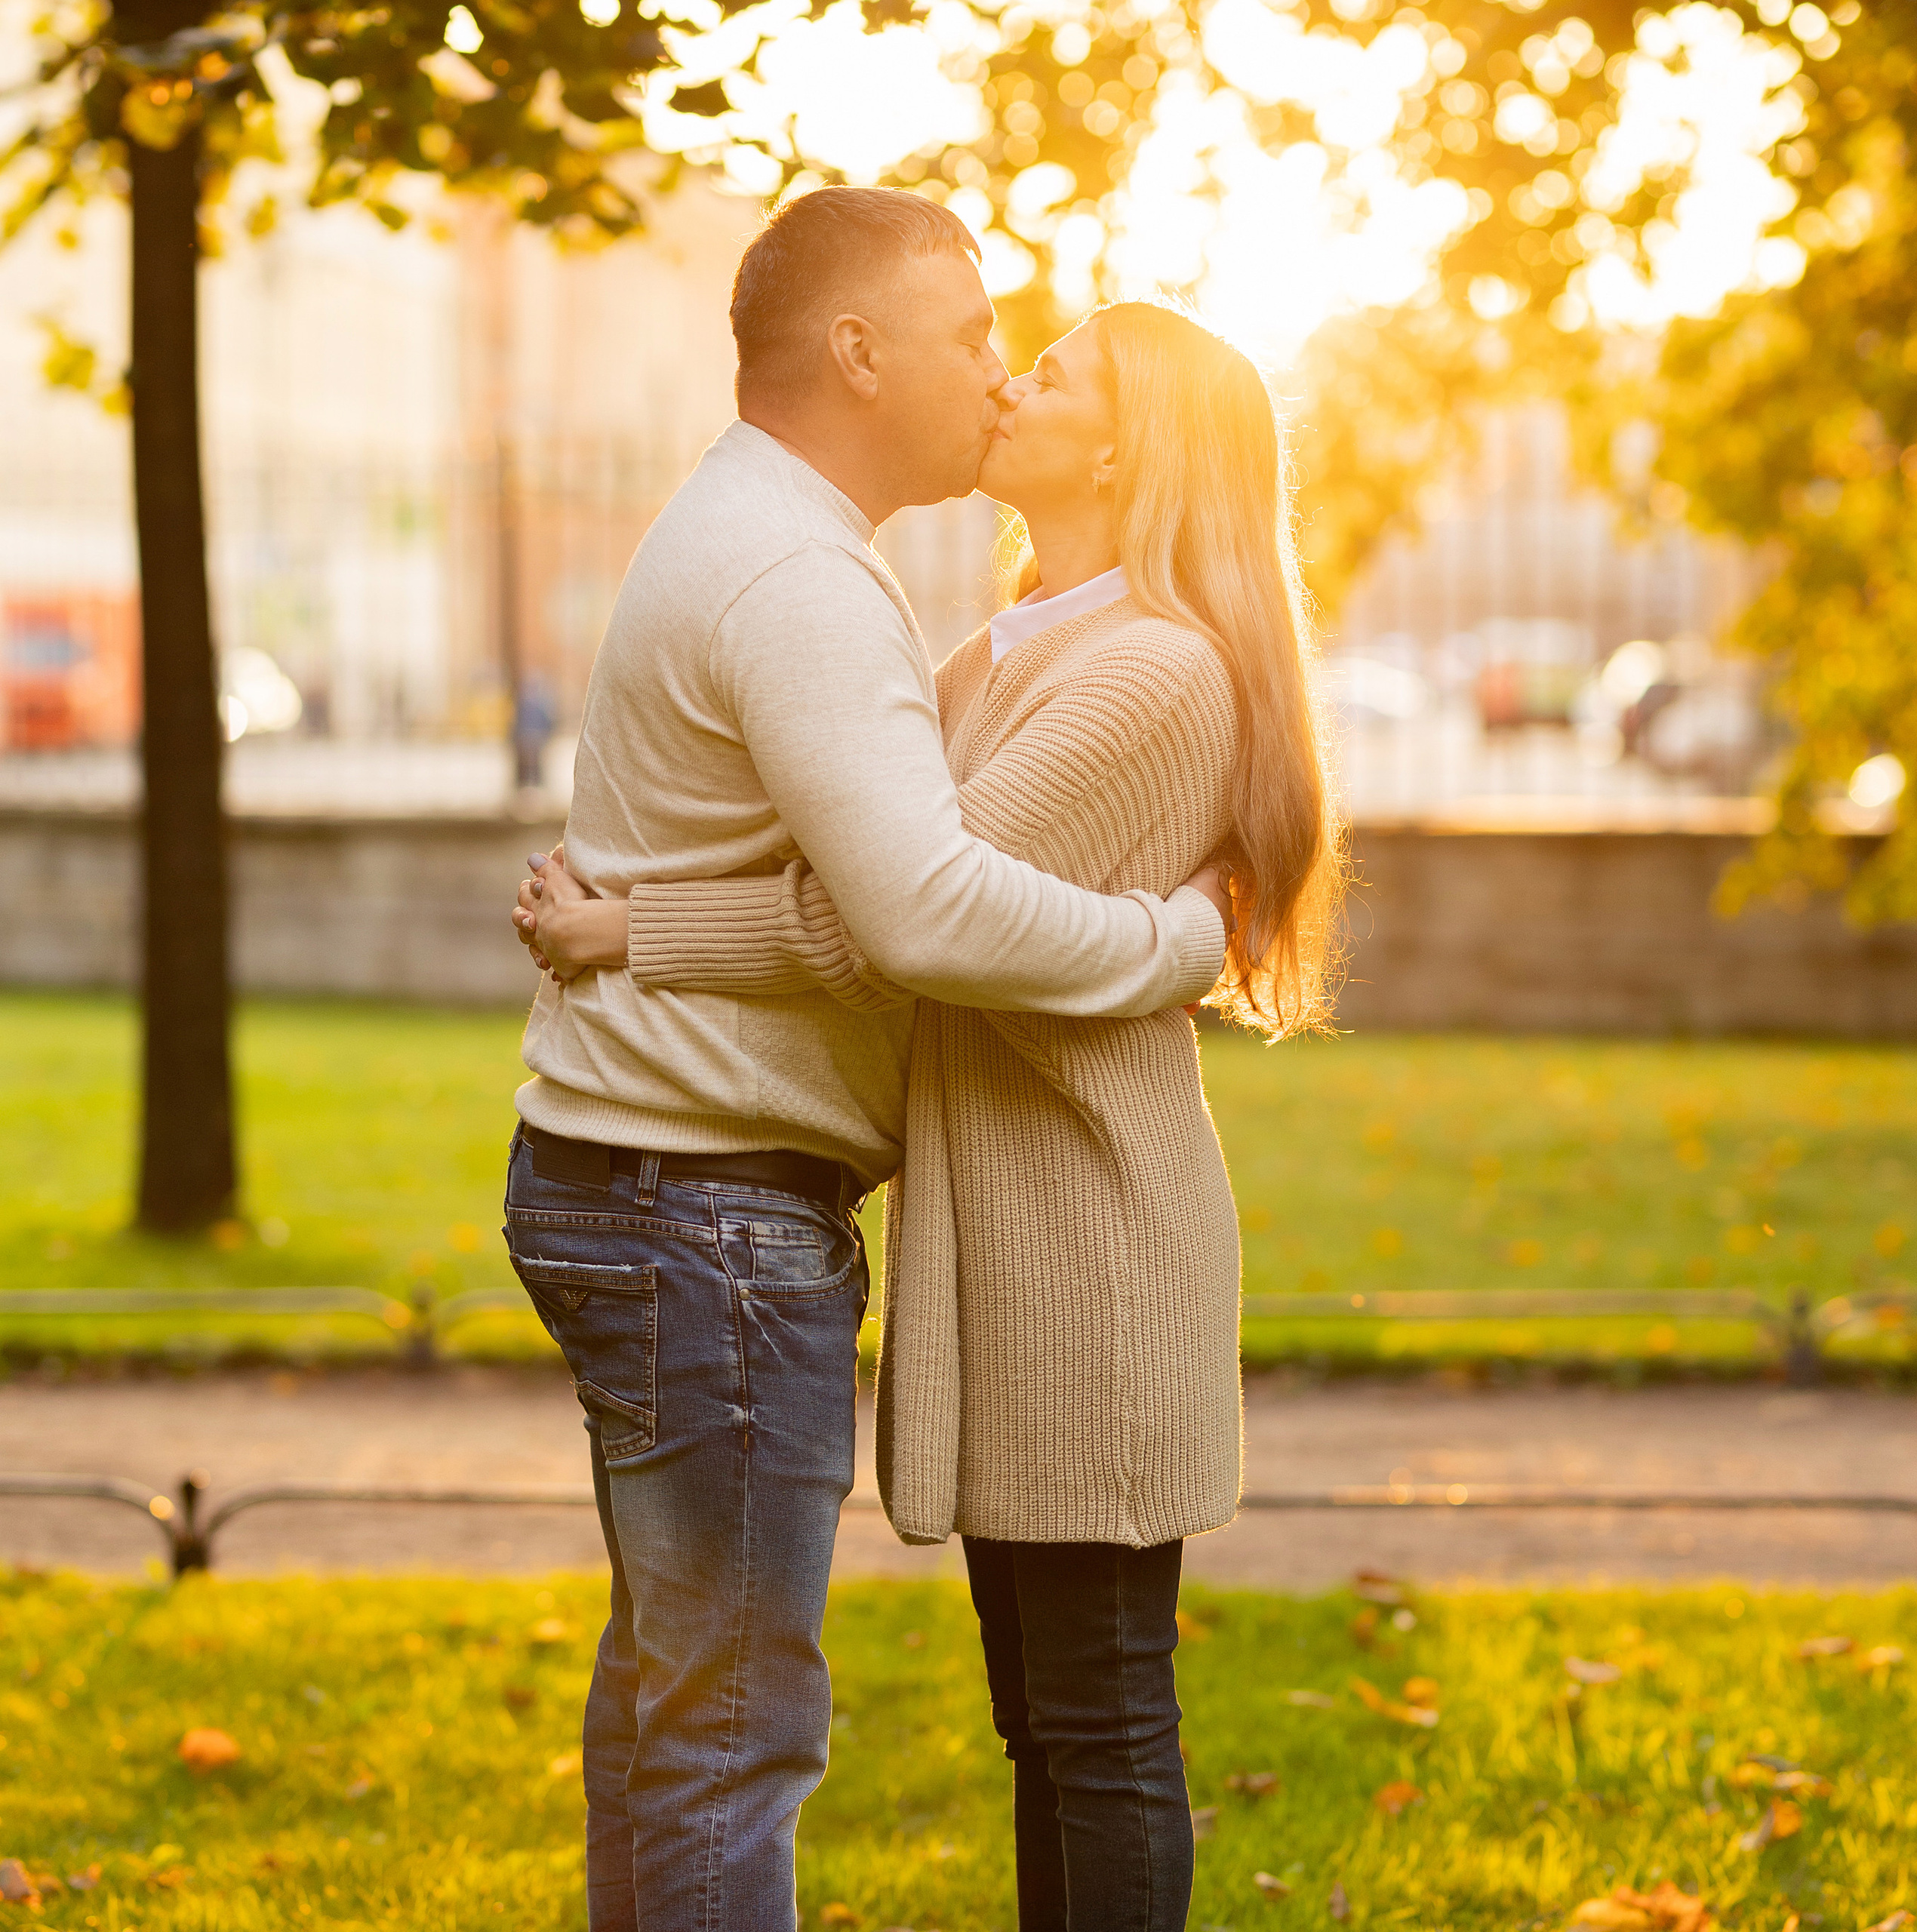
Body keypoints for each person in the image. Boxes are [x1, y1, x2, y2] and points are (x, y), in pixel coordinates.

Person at [522, 298, 1340, 1931]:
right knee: (1044, 1720)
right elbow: (873, 874)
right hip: (1015, 1237)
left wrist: (638, 931)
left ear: (1123, 445)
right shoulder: (1017, 639)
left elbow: (897, 920)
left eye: (1052, 371)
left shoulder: (1152, 673)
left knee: (1096, 1722)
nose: (1007, 380)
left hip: (1088, 1249)